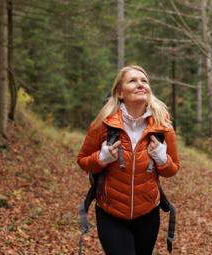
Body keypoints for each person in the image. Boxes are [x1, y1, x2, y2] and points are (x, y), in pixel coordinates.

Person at [77, 65, 180, 255]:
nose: (140, 84)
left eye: (144, 81)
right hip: (111, 213)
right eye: (133, 81)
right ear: (120, 92)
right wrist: (101, 158)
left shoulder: (162, 125)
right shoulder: (103, 123)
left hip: (148, 214)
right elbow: (83, 161)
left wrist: (161, 158)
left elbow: (172, 170)